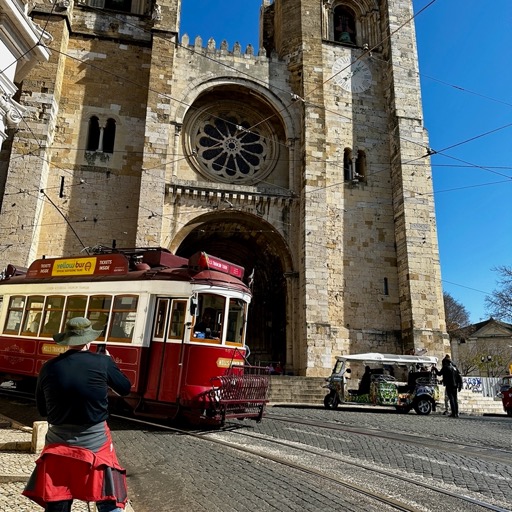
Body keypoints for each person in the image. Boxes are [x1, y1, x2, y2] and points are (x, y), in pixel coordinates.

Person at [23, 317, 132, 512]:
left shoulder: (49, 367)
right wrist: (109, 362)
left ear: (67, 340)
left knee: (58, 499)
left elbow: (42, 410)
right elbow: (124, 389)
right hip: (97, 444)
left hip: (58, 445)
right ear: (89, 340)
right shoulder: (103, 362)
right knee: (108, 497)